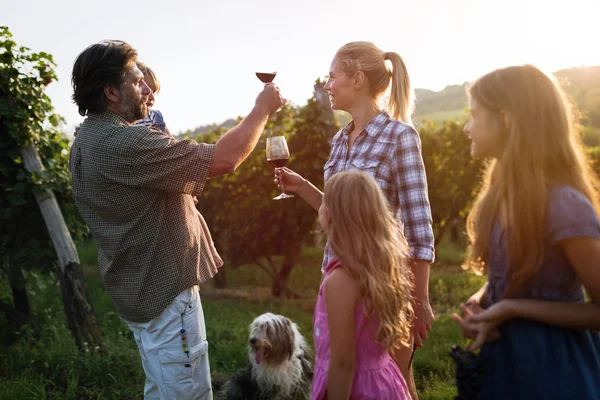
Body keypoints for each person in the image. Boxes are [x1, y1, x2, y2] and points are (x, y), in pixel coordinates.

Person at [69, 40, 285, 400]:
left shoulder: (88, 138)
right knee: (187, 393)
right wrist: (262, 108)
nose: (148, 88)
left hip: (140, 289)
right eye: (138, 81)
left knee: (162, 387)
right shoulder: (126, 143)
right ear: (110, 91)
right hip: (165, 295)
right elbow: (226, 158)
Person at [275, 41, 434, 399]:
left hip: (382, 288)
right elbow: (337, 211)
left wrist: (419, 299)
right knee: (345, 374)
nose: (328, 84)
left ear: (358, 79)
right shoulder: (339, 140)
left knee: (393, 381)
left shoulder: (399, 137)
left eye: (333, 76)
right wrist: (302, 187)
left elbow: (419, 224)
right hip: (340, 279)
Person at [452, 64, 600, 399]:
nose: (466, 127)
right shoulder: (501, 196)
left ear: (505, 120)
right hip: (506, 365)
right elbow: (515, 274)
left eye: (475, 115)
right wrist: (482, 304)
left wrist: (512, 308)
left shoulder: (564, 205)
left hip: (556, 372)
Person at [312, 170, 413, 400]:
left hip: (357, 390)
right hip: (385, 382)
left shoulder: (340, 281)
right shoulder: (379, 268)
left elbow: (343, 363)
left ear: (329, 214)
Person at [133, 62, 170, 135]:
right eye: (146, 91)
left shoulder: (155, 118)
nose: (152, 97)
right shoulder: (122, 121)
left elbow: (172, 144)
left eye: (153, 92)